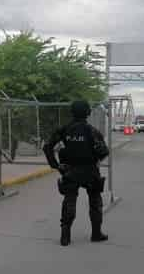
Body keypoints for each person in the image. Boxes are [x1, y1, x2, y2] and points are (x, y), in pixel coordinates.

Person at [43, 100, 110, 246]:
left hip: (70, 171)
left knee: (69, 201)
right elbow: (104, 151)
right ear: (88, 113)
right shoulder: (92, 131)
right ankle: (96, 234)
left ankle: (65, 237)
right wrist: (97, 159)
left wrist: (56, 166)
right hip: (91, 171)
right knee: (95, 202)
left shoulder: (64, 129)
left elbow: (47, 147)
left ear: (71, 112)